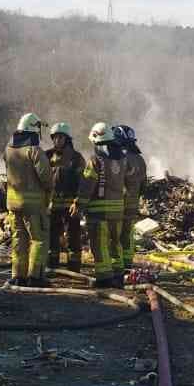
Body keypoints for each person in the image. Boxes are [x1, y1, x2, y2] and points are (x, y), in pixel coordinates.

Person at [5, 113, 54, 288]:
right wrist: (50, 189)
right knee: (38, 239)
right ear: (34, 130)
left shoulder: (8, 149)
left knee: (19, 239)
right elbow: (46, 177)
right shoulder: (34, 150)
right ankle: (35, 276)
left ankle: (18, 276)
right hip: (32, 206)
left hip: (12, 204)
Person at [82, 122, 126, 287]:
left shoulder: (95, 160)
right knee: (115, 243)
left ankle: (104, 279)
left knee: (100, 246)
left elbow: (87, 186)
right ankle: (118, 276)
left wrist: (79, 205)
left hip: (99, 212)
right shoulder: (122, 160)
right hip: (117, 211)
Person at [47, 122, 86, 272]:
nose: (57, 140)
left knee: (73, 236)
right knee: (52, 235)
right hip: (52, 204)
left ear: (67, 139)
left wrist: (78, 202)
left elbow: (83, 182)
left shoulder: (76, 158)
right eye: (55, 137)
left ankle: (74, 267)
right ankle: (52, 265)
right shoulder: (47, 155)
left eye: (61, 137)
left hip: (71, 204)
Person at [116, 125, 147, 274]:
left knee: (116, 232)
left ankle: (117, 263)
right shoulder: (140, 159)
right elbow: (143, 184)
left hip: (120, 201)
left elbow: (116, 180)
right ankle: (127, 261)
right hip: (133, 202)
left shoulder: (120, 158)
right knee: (128, 232)